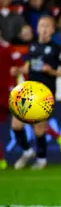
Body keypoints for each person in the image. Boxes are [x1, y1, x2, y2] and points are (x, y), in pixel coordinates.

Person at [13, 16, 61, 170]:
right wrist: (19, 70)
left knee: (39, 127)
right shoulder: (32, 47)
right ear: (37, 29)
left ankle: (42, 159)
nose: (43, 29)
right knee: (16, 124)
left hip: (45, 92)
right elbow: (28, 66)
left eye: (47, 26)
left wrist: (51, 71)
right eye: (41, 26)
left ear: (52, 30)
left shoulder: (57, 49)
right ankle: (27, 151)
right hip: (29, 90)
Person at [0, 28, 24, 170]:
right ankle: (1, 160)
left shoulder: (8, 49)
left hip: (9, 91)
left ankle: (58, 137)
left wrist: (16, 70)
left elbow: (21, 66)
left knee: (26, 119)